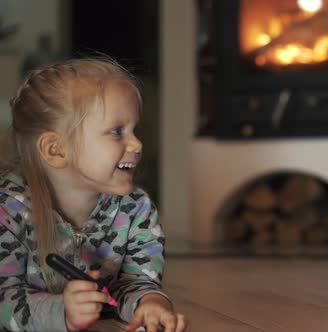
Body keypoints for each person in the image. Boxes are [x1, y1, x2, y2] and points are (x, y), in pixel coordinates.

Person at [0, 57, 188, 332]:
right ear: (55, 149)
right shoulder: (7, 211)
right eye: (116, 132)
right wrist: (60, 312)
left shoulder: (136, 208)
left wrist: (149, 303)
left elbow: (135, 282)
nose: (136, 144)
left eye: (133, 130)